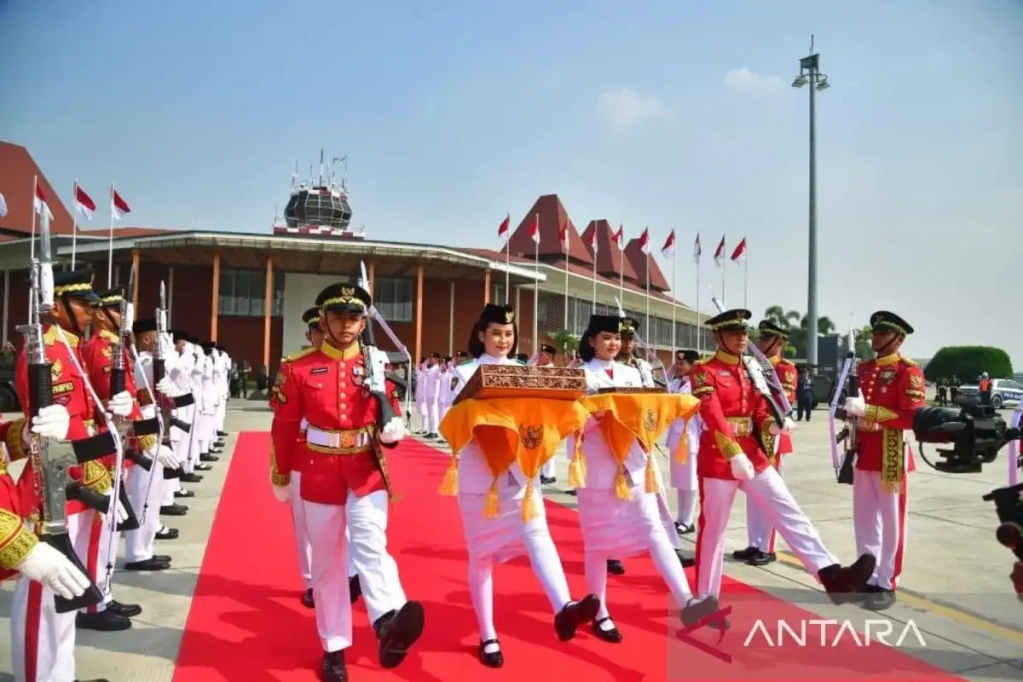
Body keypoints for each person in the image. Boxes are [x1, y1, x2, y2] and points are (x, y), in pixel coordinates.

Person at [270, 283, 423, 682]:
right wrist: (281, 473)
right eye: (337, 316)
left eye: (354, 317)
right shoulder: (298, 367)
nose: (345, 324)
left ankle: (387, 620)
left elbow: (389, 411)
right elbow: (284, 427)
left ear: (363, 321)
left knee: (371, 543)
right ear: (324, 319)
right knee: (327, 568)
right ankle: (333, 646)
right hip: (319, 470)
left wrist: (393, 424)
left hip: (365, 468)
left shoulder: (376, 365)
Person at [692, 308, 876, 625]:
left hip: (753, 450)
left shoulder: (751, 368)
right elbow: (712, 414)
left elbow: (760, 410)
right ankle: (705, 600)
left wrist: (774, 426)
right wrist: (733, 452)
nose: (742, 338)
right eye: (734, 332)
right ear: (717, 336)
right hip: (719, 454)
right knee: (714, 531)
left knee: (787, 508)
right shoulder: (703, 371)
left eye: (744, 332)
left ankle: (831, 574)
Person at [447, 303, 599, 667]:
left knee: (539, 537)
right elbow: (451, 422)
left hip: (522, 477)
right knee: (481, 558)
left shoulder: (526, 373)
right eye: (496, 333)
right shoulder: (463, 373)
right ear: (481, 334)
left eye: (509, 334)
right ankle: (488, 634)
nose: (503, 340)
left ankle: (564, 607)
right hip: (480, 479)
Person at [8, 268, 125, 680]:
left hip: (74, 473)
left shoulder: (71, 347)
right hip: (54, 478)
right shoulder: (49, 352)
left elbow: (82, 417)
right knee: (45, 590)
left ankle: (60, 673)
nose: (91, 312)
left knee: (68, 586)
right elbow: (51, 428)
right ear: (55, 306)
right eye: (82, 305)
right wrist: (88, 470)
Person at [573, 315, 713, 644]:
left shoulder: (633, 373)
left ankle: (686, 602)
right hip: (597, 467)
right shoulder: (579, 374)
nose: (612, 344)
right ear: (591, 340)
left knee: (655, 530)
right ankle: (600, 611)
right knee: (596, 544)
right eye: (605, 337)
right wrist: (599, 415)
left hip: (634, 464)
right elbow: (570, 422)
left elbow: (647, 413)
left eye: (616, 338)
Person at [841, 311, 926, 611]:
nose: (874, 337)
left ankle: (887, 580)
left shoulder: (908, 372)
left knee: (891, 522)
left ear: (898, 339)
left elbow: (911, 417)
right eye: (874, 332)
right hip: (862, 450)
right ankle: (867, 572)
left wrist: (869, 412)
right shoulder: (863, 369)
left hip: (891, 452)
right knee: (863, 518)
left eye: (882, 333)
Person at [732, 320, 798, 567]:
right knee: (754, 494)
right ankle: (754, 542)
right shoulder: (751, 366)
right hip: (752, 436)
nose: (759, 343)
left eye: (766, 339)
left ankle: (767, 547)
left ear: (778, 342)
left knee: (770, 494)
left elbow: (783, 400)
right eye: (760, 338)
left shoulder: (784, 370)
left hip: (773, 437)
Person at [127, 317, 182, 573]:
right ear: (147, 339)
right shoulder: (144, 361)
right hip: (143, 426)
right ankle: (137, 552)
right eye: (157, 337)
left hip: (154, 421)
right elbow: (172, 366)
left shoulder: (147, 360)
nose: (162, 342)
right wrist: (168, 351)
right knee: (143, 492)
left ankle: (145, 547)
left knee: (153, 489)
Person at [666, 349, 701, 535]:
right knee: (680, 482)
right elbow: (663, 389)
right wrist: (671, 370)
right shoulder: (676, 383)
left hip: (691, 436)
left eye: (683, 363)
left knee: (690, 481)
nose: (679, 367)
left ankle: (688, 520)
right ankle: (680, 517)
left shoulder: (697, 385)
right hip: (676, 436)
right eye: (678, 363)